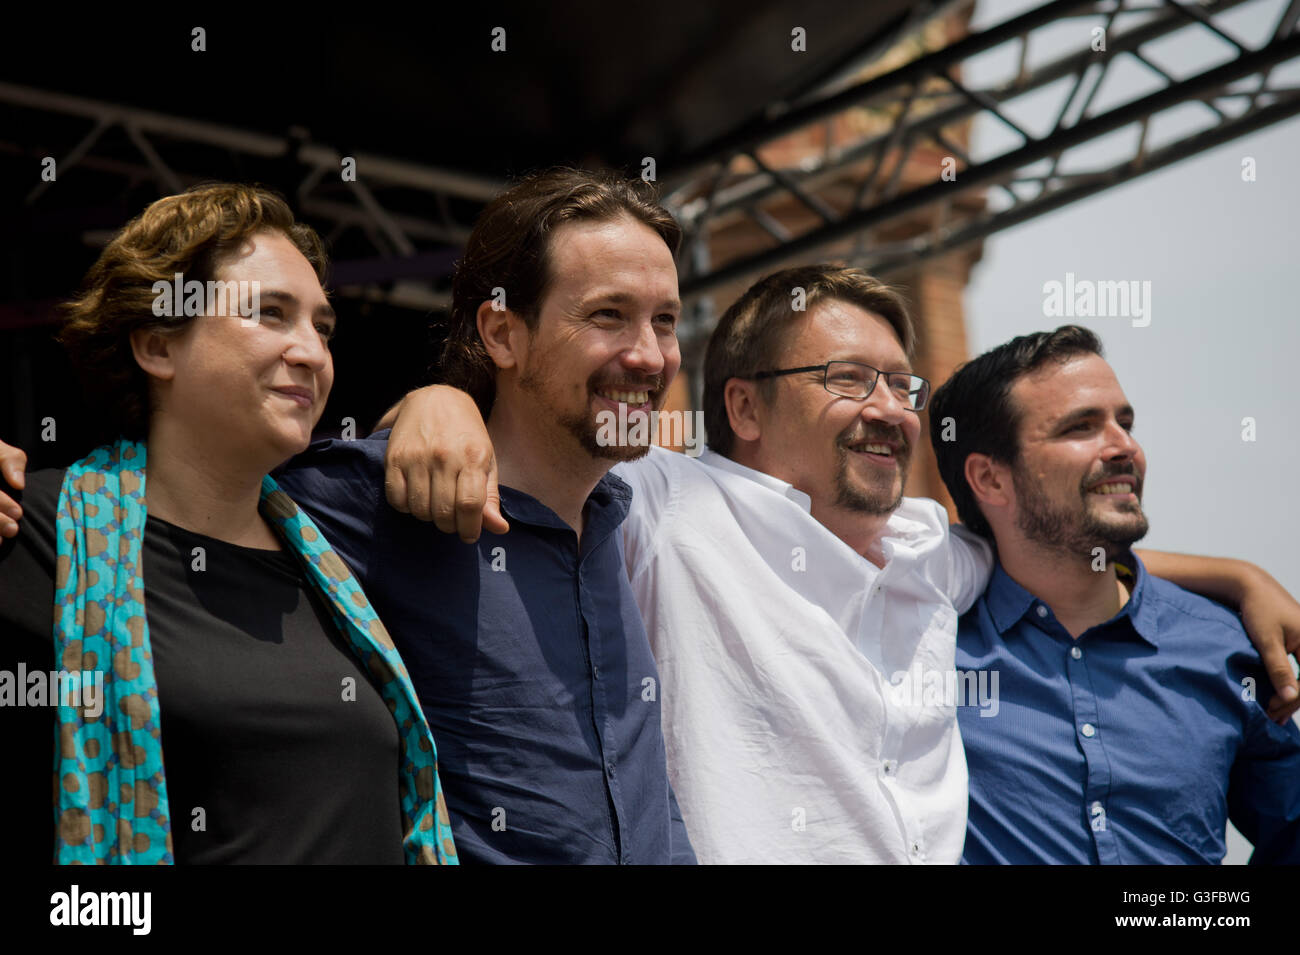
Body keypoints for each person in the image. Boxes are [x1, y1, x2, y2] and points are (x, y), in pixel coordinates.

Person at [378, 263, 1300, 863]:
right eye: (847, 379)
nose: (891, 409)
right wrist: (440, 404)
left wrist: (1234, 576)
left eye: (901, 384)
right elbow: (542, 440)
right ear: (742, 407)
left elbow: (1056, 544)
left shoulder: (931, 546)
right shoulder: (669, 507)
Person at [0, 183, 456, 864]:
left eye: (322, 327)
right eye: (270, 314)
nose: (311, 352)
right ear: (157, 345)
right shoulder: (37, 535)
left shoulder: (333, 556)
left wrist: (442, 394)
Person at [929, 325, 1300, 863]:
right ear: (990, 479)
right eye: (1081, 428)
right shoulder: (924, 651)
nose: (1124, 446)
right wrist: (1239, 574)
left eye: (1124, 423)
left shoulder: (1224, 648)